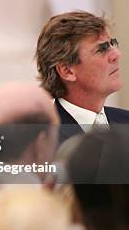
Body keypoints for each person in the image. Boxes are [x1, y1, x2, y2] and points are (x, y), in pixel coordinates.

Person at [36, 11, 129, 142]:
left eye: (112, 43)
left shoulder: (125, 121)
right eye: (102, 49)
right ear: (67, 71)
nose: (116, 54)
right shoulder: (42, 137)